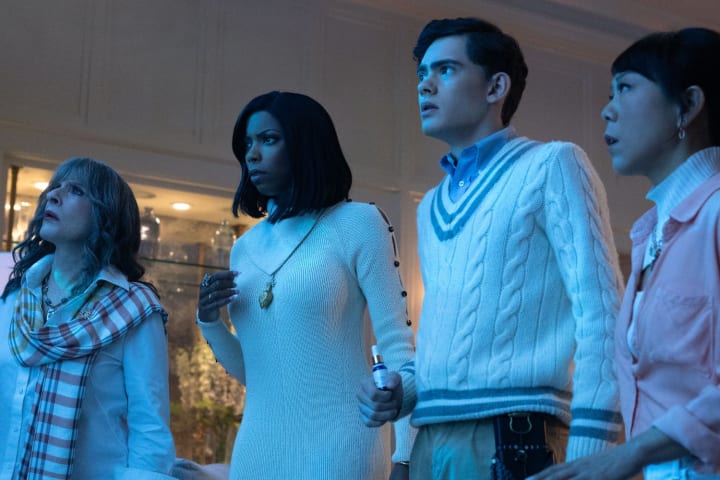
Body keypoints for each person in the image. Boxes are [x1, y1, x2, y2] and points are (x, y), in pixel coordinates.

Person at [357, 17, 624, 479]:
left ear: (496, 86)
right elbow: (448, 340)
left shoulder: (552, 164)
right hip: (430, 441)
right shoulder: (432, 203)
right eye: (422, 73)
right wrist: (406, 389)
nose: (424, 85)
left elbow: (603, 316)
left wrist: (589, 456)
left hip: (515, 437)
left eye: (445, 70)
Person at [529, 27, 720, 480]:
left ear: (688, 105)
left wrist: (629, 454)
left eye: (626, 88)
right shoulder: (650, 232)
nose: (607, 110)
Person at [196, 91, 416, 480]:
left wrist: (406, 458)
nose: (252, 155)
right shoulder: (243, 248)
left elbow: (398, 347)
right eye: (247, 144)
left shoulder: (358, 223)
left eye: (268, 139)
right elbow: (258, 374)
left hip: (339, 448)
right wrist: (209, 322)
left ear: (305, 144)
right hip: (255, 452)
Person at [0, 157, 176, 479]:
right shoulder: (15, 299)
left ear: (105, 216)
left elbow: (149, 429)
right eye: (55, 187)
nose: (54, 195)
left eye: (76, 190)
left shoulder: (133, 310)